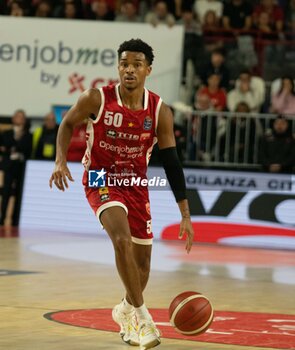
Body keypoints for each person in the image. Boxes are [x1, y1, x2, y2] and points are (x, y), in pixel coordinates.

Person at [49, 38, 194, 349]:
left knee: (142, 267)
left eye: (136, 65)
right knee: (121, 240)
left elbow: (171, 163)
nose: (129, 70)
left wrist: (185, 212)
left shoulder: (159, 110)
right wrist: (60, 160)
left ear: (148, 70)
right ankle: (142, 318)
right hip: (101, 176)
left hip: (136, 183)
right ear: (118, 67)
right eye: (124, 64)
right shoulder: (96, 99)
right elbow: (66, 125)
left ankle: (125, 311)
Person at [0, 109, 32, 226]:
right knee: (6, 192)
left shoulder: (28, 135)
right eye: (18, 117)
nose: (20, 119)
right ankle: (2, 217)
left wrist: (12, 147)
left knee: (19, 193)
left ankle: (15, 219)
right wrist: (11, 148)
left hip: (21, 167)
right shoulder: (6, 133)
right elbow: (4, 146)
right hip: (8, 167)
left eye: (22, 117)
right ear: (13, 119)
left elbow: (26, 149)